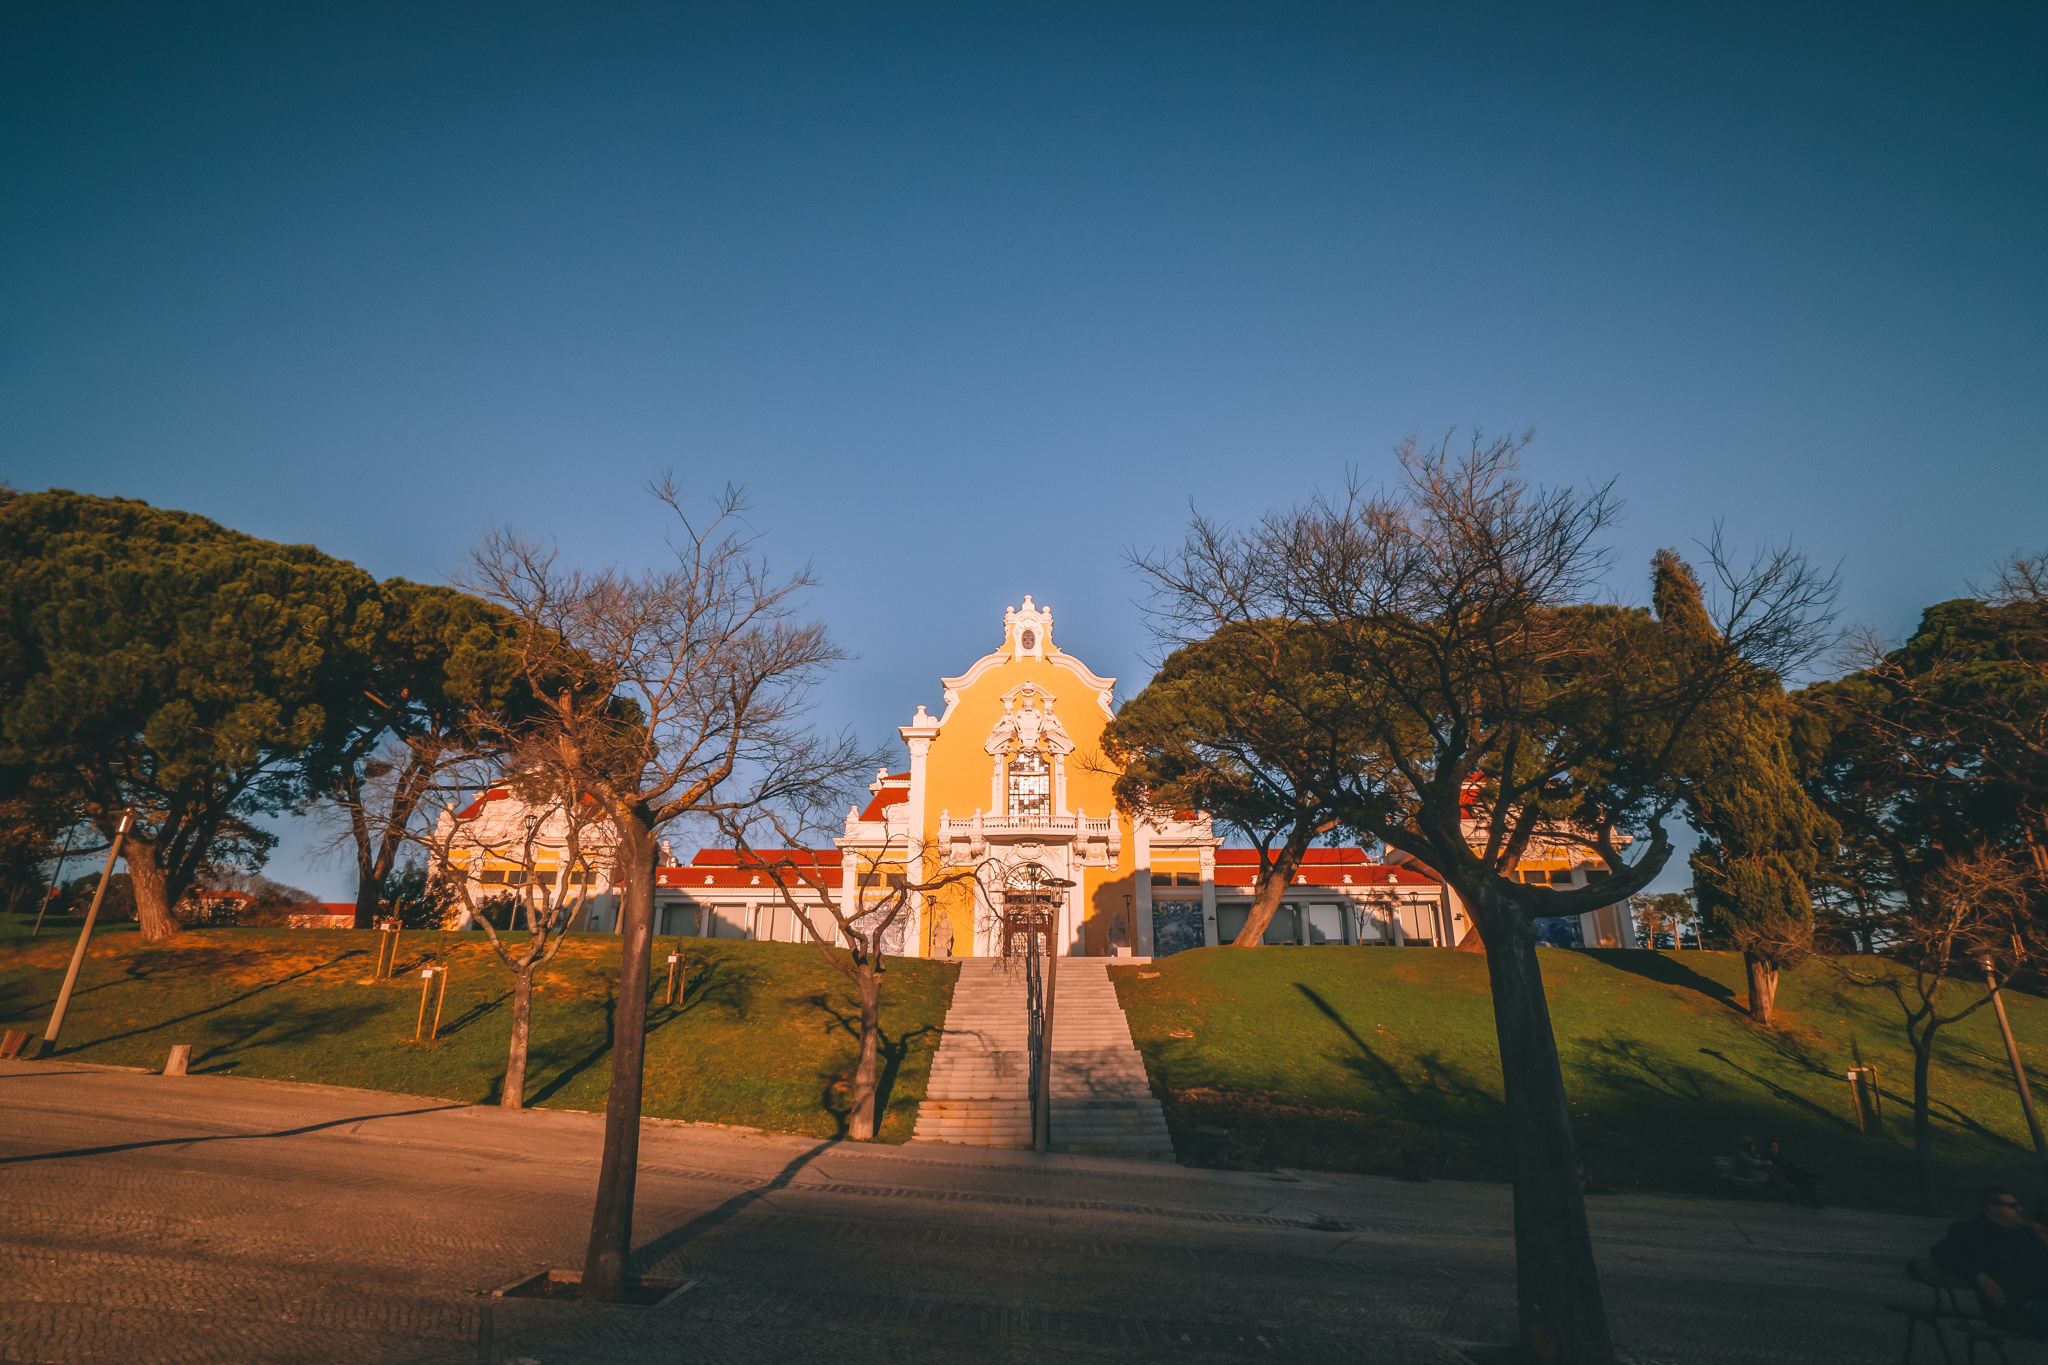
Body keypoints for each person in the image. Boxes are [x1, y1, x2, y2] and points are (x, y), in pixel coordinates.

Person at [1935, 1186, 2048, 1335]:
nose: (2020, 1209)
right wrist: (1979, 1276)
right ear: (1993, 1209)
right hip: (2016, 1311)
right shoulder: (1970, 1232)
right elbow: (1941, 1252)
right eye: (2012, 1206)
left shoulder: (2028, 1234)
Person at [1764, 1138, 1823, 1208]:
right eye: (1773, 1147)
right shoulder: (1769, 1157)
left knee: (1808, 1179)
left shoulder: (1780, 1156)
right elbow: (1777, 1168)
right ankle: (1812, 1176)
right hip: (1786, 1175)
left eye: (1777, 1146)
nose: (1776, 1148)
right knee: (1805, 1176)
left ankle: (1815, 1201)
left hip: (1792, 1173)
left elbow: (1789, 1163)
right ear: (1769, 1148)